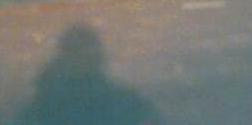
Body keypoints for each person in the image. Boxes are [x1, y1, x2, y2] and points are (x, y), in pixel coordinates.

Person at [10, 24, 162, 125]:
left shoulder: (125, 102)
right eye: (78, 55)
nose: (82, 61)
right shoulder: (42, 107)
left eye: (87, 55)